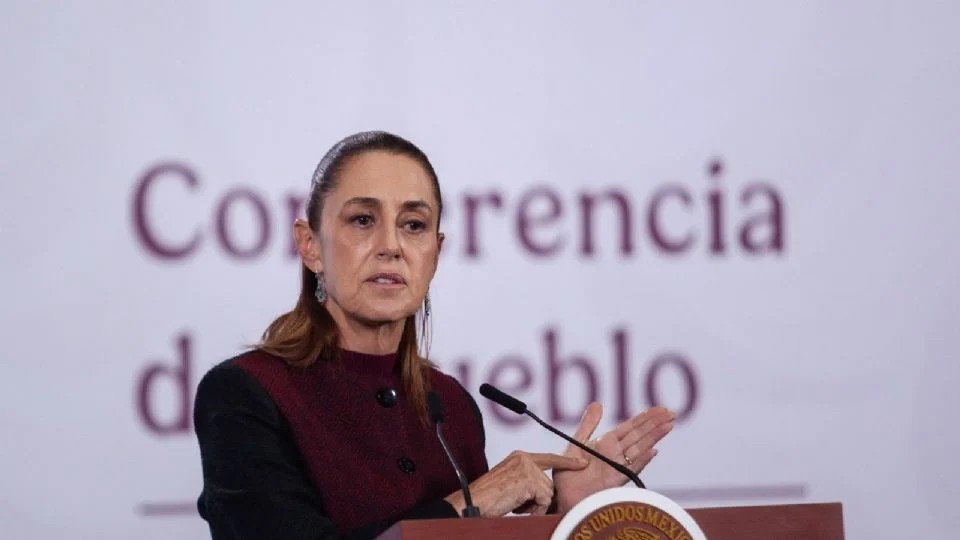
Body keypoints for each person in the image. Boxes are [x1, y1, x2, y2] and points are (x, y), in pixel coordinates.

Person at [193, 131, 675, 539]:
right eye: (362, 220)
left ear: (435, 253)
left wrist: (563, 517)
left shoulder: (451, 407)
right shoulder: (246, 396)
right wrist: (468, 505)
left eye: (414, 225)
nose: (391, 246)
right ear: (310, 245)